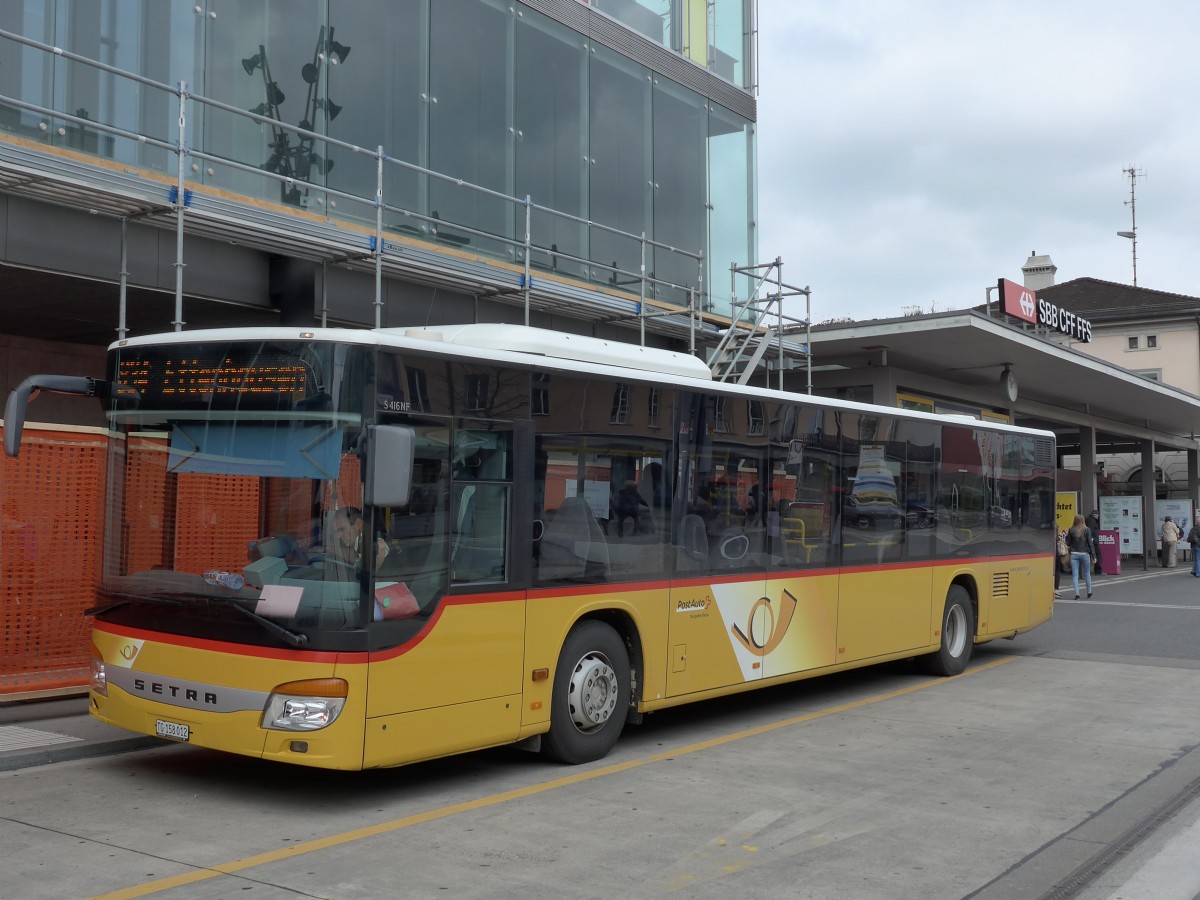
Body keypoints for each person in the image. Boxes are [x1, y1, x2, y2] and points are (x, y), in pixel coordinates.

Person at [331, 507, 388, 571]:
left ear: (358, 524)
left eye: (341, 529)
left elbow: (381, 547)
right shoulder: (353, 545)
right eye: (336, 532)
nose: (338, 536)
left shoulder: (373, 541)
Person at [1065, 515, 1094, 600]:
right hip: (1085, 554)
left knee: (1075, 575)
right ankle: (1089, 593)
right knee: (1087, 574)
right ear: (1083, 520)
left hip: (1074, 554)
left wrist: (1067, 537)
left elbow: (1068, 543)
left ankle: (1077, 594)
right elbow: (1090, 543)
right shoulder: (1087, 530)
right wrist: (1094, 556)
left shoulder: (1071, 530)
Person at [1086, 510, 1102, 574]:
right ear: (1095, 515)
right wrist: (1091, 539)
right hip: (1093, 541)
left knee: (1093, 555)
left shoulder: (1089, 520)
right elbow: (1090, 530)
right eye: (1097, 515)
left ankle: (1095, 570)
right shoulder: (1092, 521)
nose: (1098, 517)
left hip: (1092, 540)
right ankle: (1098, 571)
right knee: (1098, 555)